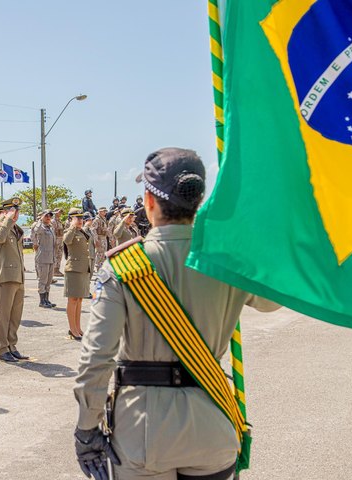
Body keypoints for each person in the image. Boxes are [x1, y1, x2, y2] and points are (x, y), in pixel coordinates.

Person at [74, 147, 280, 480]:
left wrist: (87, 430)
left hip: (143, 433)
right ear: (197, 202)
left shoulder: (123, 267)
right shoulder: (227, 261)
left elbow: (96, 359)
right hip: (213, 424)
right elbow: (273, 300)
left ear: (149, 201)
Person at [0, 197, 29, 363]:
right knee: (4, 315)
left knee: (15, 315)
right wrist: (6, 220)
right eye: (12, 211)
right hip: (6, 276)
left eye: (17, 211)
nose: (16, 214)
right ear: (5, 211)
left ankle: (12, 345)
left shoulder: (16, 228)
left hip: (18, 276)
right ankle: (2, 348)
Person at [62, 209, 90, 340]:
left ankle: (78, 328)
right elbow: (67, 241)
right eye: (76, 218)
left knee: (79, 300)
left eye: (81, 218)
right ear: (71, 219)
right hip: (73, 269)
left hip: (83, 269)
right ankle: (72, 329)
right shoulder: (69, 231)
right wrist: (72, 226)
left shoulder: (82, 231)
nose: (80, 220)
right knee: (73, 299)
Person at [32, 209, 56, 308]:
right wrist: (40, 220)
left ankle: (47, 299)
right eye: (46, 215)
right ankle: (42, 301)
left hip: (51, 258)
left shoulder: (50, 227)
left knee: (49, 280)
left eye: (50, 216)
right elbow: (36, 231)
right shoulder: (39, 226)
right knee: (43, 280)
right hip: (42, 257)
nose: (48, 217)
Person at [90, 207, 108, 271]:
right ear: (99, 212)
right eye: (103, 211)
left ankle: (101, 267)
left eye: (105, 211)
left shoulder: (104, 219)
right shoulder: (97, 219)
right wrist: (96, 239)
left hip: (104, 237)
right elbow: (93, 229)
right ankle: (97, 267)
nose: (105, 212)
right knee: (99, 253)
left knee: (103, 253)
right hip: (100, 238)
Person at [52, 208, 64, 277]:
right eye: (59, 212)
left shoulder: (59, 221)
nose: (60, 214)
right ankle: (54, 270)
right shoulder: (53, 221)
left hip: (60, 240)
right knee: (55, 255)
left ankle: (57, 269)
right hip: (56, 240)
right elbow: (53, 231)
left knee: (59, 255)